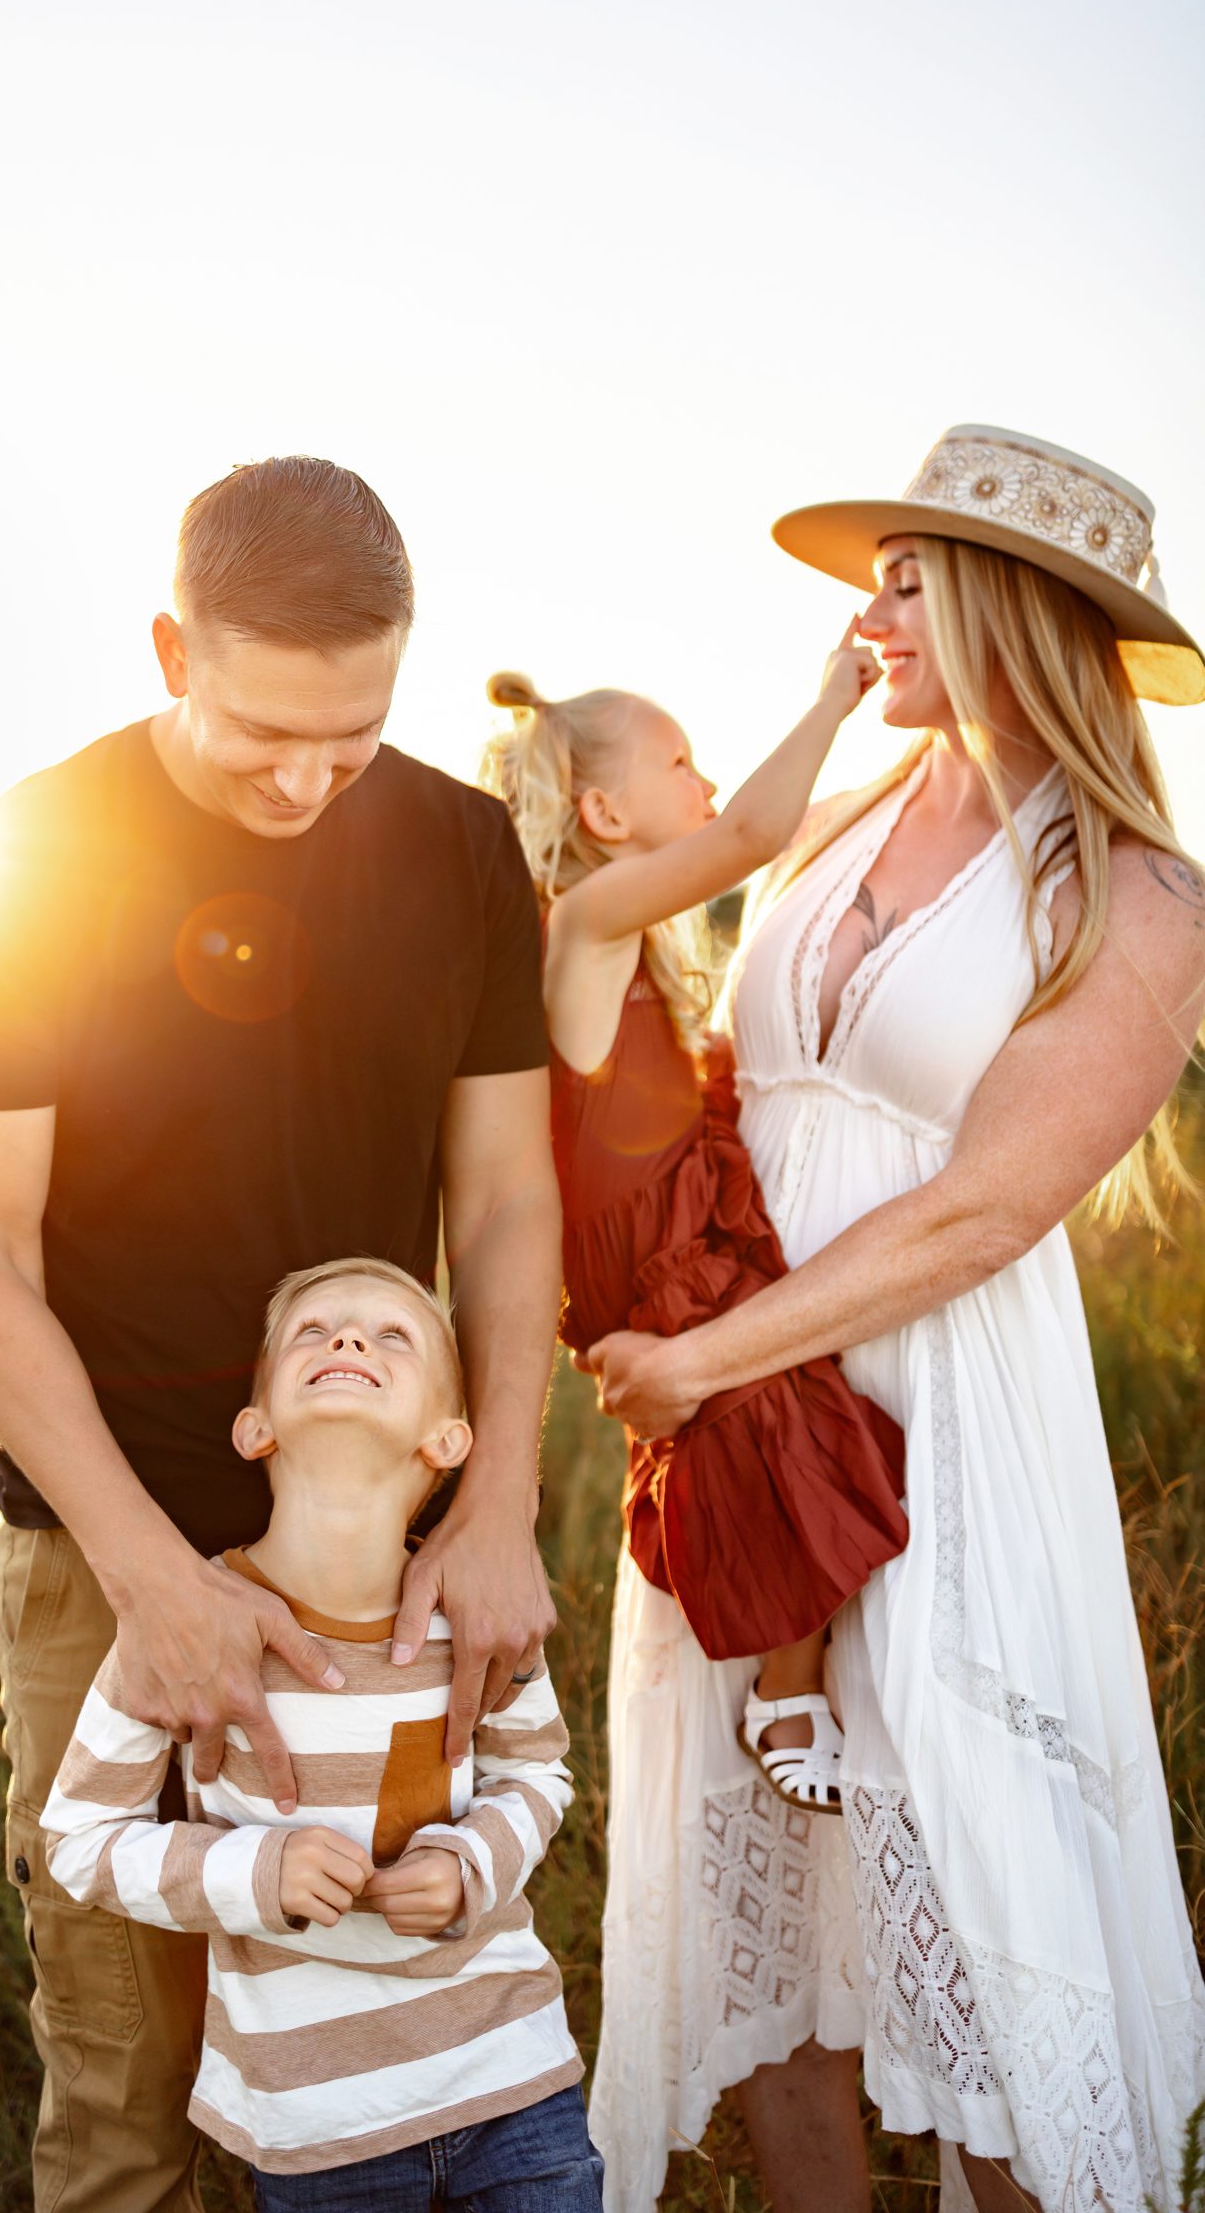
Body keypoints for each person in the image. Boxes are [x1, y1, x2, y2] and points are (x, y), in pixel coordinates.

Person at [0, 458, 563, 2213]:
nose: (307, 779)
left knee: (386, 2060)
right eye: (265, 730)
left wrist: (497, 1502)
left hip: (382, 1564)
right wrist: (157, 1580)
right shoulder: (19, 862)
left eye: (355, 734)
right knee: (133, 2079)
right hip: (105, 1554)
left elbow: (506, 1201)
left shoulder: (461, 846)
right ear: (171, 647)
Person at [581, 425, 1205, 2213]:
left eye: (914, 580)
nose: (876, 611)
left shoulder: (1136, 891)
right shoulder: (835, 811)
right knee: (774, 1943)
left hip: (943, 1424)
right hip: (742, 1415)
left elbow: (987, 1205)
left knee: (981, 1930)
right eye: (879, 579)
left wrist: (707, 1356)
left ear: (1023, 609)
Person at [39, 1256, 601, 2211]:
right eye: (315, 1330)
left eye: (393, 1335)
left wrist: (470, 1862)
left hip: (513, 2081)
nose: (347, 1339)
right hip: (318, 2126)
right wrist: (254, 1872)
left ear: (450, 1438)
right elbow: (79, 1838)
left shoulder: (478, 1613)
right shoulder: (187, 1630)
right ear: (253, 1425)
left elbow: (539, 1775)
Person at [481, 649, 909, 1812]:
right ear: (603, 813)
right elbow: (752, 832)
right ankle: (784, 1689)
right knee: (768, 1413)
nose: (707, 782)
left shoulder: (623, 934)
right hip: (645, 1259)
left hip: (678, 1235)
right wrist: (832, 700)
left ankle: (792, 1665)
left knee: (791, 1405)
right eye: (679, 762)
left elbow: (782, 822)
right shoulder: (585, 918)